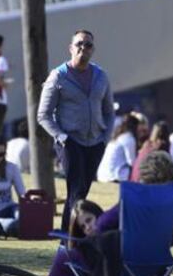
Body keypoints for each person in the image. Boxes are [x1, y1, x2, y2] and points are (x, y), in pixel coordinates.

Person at [8, 151, 173, 276]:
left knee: (66, 256)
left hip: (125, 271)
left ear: (143, 175)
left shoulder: (134, 201)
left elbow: (102, 224)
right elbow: (172, 240)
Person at [38, 29, 116, 231]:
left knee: (82, 191)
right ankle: (69, 238)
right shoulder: (58, 76)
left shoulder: (101, 76)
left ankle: (73, 235)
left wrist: (105, 138)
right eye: (79, 44)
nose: (83, 48)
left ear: (93, 50)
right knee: (76, 190)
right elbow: (43, 115)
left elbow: (109, 111)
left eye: (88, 45)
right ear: (71, 48)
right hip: (70, 142)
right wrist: (62, 137)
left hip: (95, 142)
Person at [97, 113, 142, 183]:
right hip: (114, 177)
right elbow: (132, 162)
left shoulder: (117, 137)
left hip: (102, 176)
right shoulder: (128, 138)